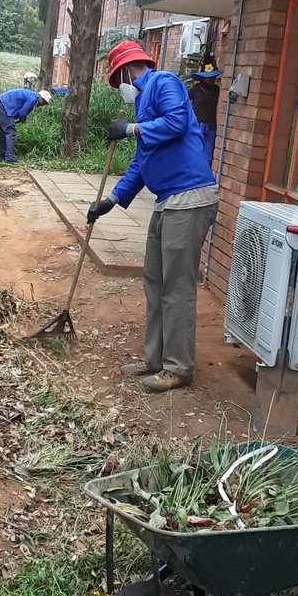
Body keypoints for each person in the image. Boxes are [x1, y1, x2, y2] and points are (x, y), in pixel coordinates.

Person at [87, 40, 218, 393]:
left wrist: (130, 129)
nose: (121, 89)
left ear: (126, 71)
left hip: (190, 197)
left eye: (119, 81)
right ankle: (156, 359)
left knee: (176, 285)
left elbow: (176, 123)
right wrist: (112, 200)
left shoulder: (163, 83)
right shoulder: (144, 102)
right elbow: (142, 162)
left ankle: (178, 367)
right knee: (155, 280)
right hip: (168, 200)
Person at [0, 87, 51, 163]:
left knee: (3, 133)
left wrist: (20, 117)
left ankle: (2, 156)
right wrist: (22, 118)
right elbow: (22, 113)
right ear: (41, 98)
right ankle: (9, 157)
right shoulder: (33, 98)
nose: (43, 105)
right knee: (11, 133)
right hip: (5, 106)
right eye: (44, 102)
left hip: (0, 104)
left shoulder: (31, 95)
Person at [187, 55, 221, 164]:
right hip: (197, 126)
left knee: (207, 158)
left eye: (213, 77)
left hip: (211, 126)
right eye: (208, 77)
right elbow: (184, 103)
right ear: (202, 77)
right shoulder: (195, 89)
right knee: (194, 154)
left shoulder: (216, 90)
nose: (211, 80)